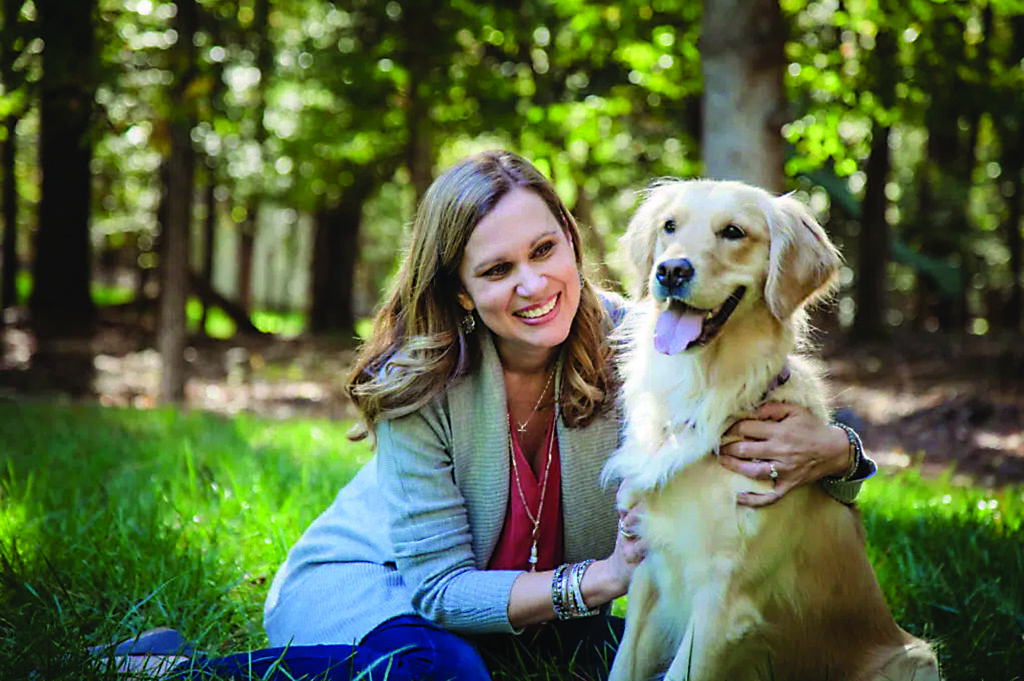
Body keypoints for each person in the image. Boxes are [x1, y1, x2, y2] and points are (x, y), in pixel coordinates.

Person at [114, 150, 873, 680]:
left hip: (529, 610)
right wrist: (598, 581)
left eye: (547, 249)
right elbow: (438, 590)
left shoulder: (654, 349)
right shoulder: (419, 379)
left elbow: (771, 427)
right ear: (461, 291)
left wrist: (841, 452)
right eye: (498, 269)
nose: (535, 283)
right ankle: (173, 668)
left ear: (574, 245)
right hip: (382, 587)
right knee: (440, 670)